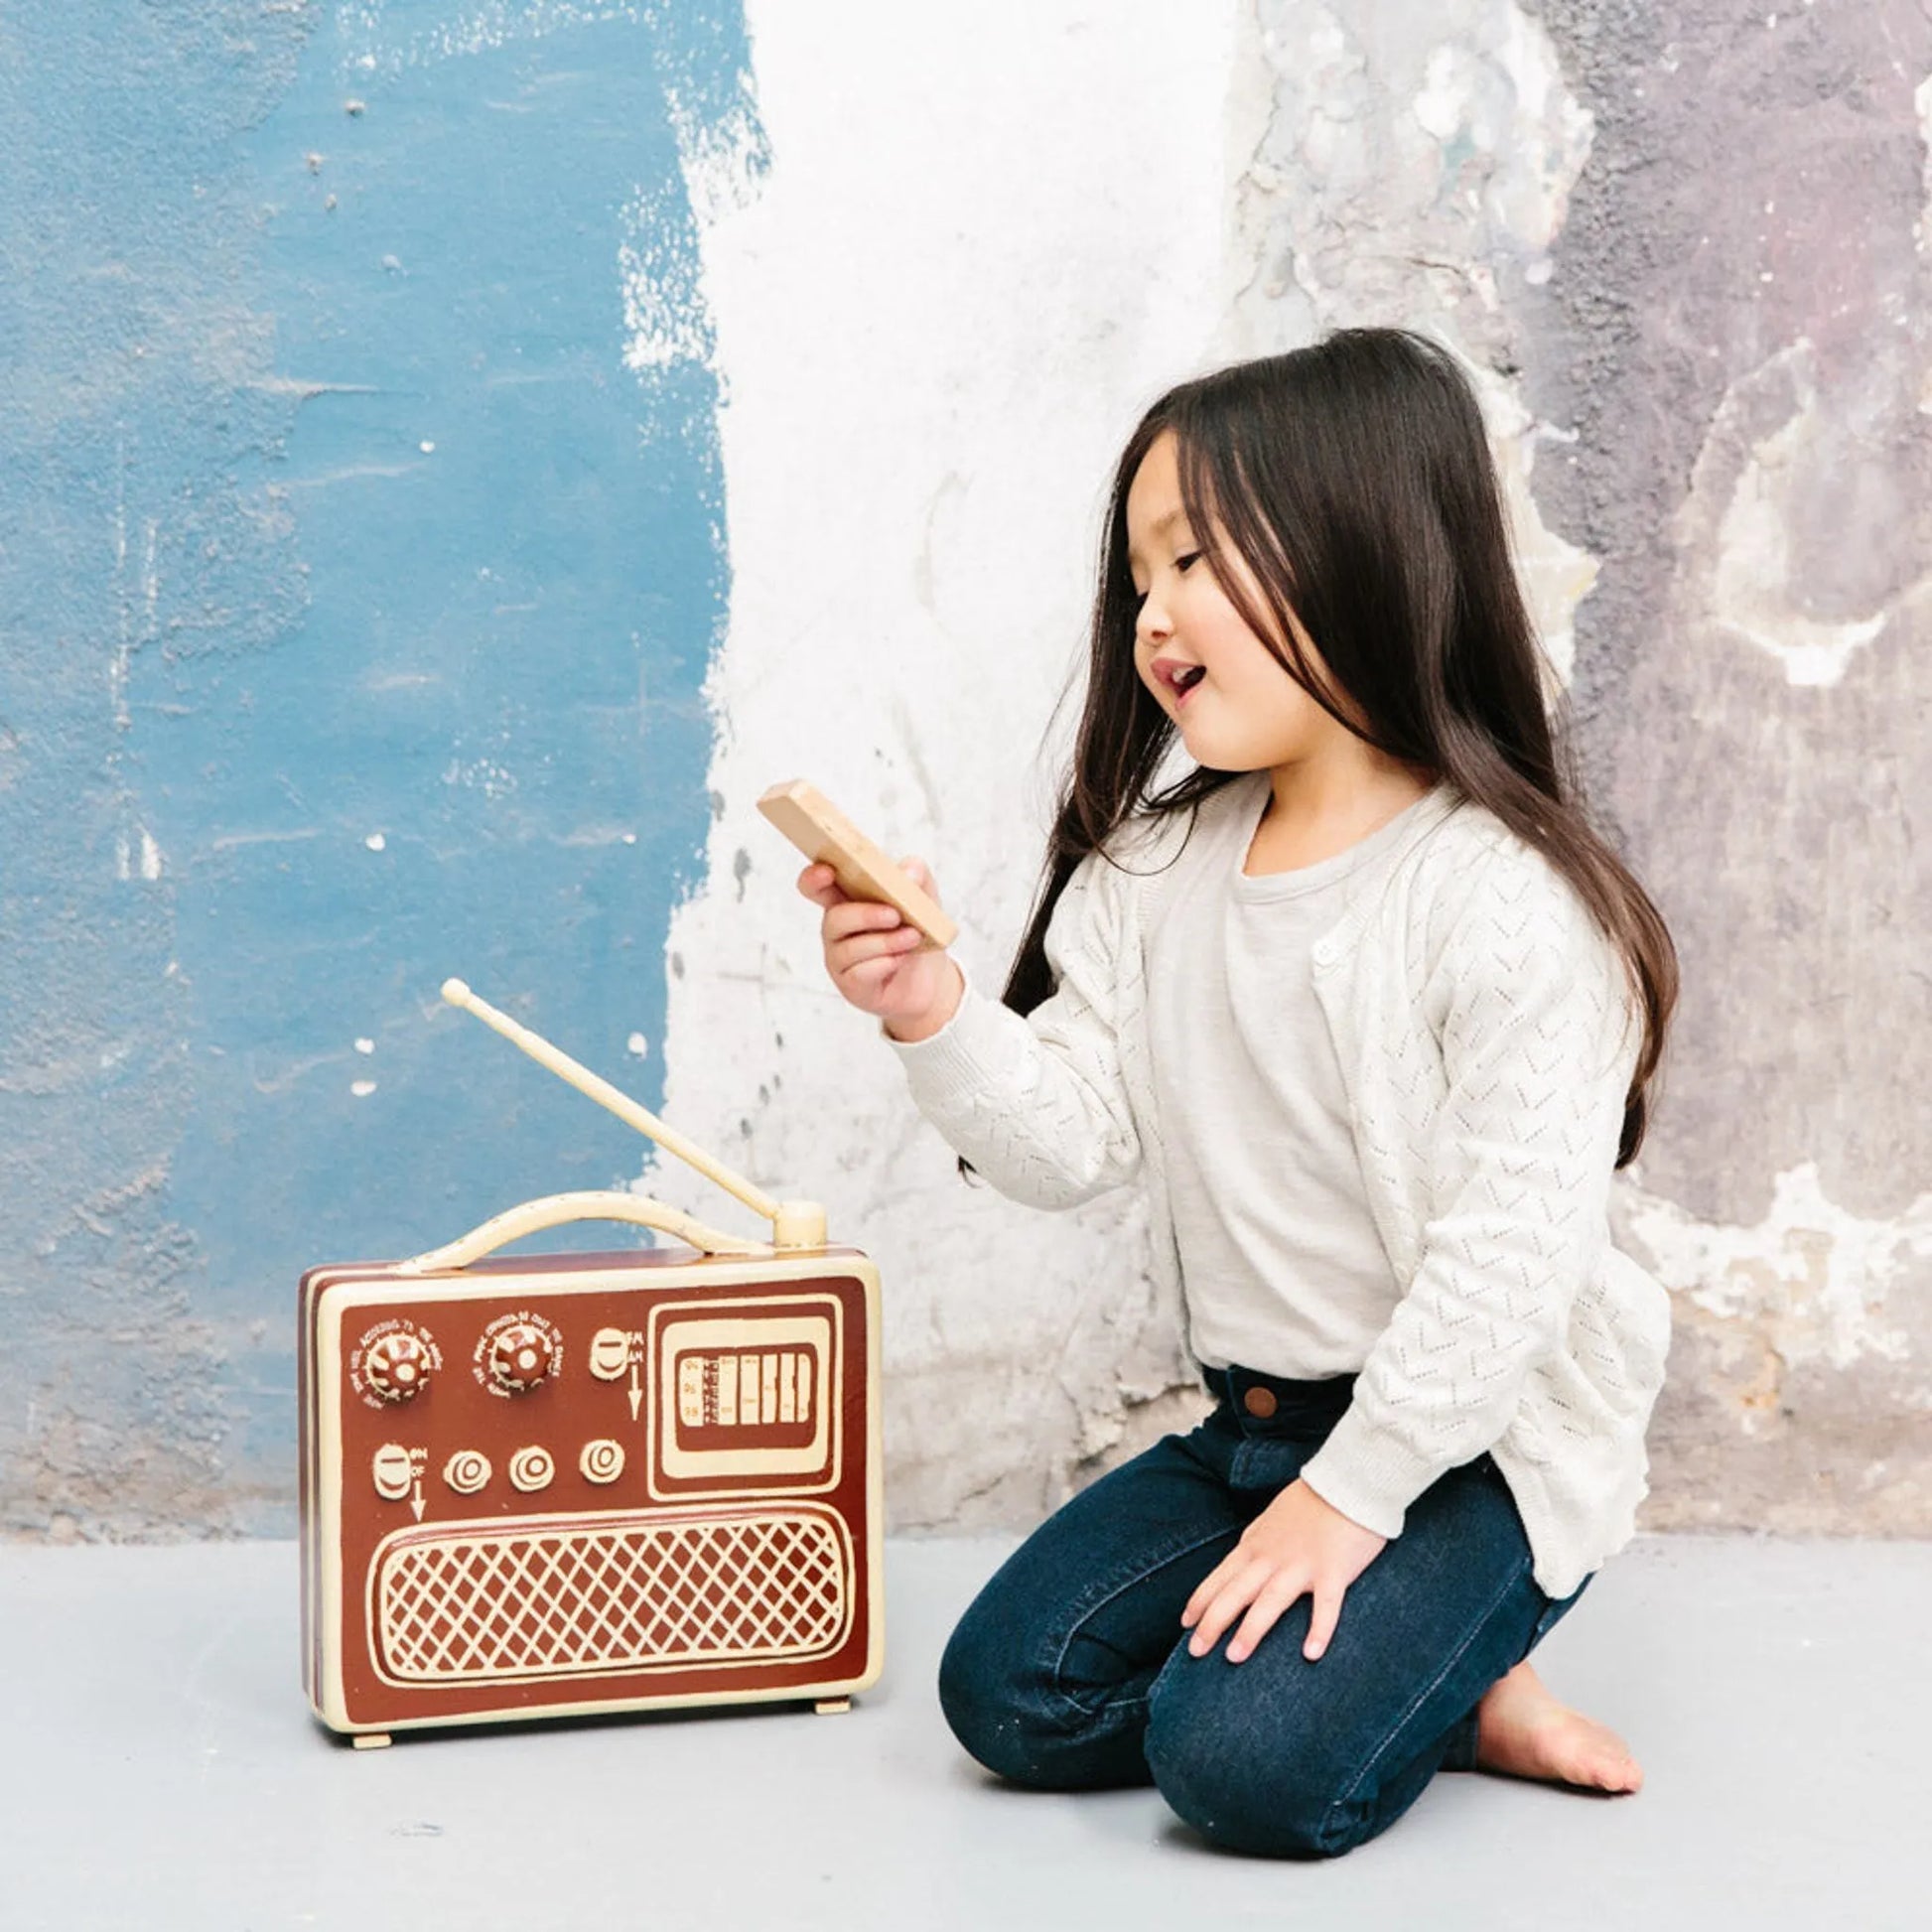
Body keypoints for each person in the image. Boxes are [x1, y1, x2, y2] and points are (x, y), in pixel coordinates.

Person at [794, 328, 1679, 1859]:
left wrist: (1352, 1502)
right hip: (1249, 1429)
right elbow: (1069, 1140)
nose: (1153, 614)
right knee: (1006, 1695)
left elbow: (1506, 1270)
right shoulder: (1157, 870)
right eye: (1139, 576)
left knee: (1242, 1771)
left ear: (1360, 548)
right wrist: (932, 1010)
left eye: (1193, 557)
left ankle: (1452, 1650)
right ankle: (1435, 1682)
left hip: (1467, 1444)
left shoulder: (1502, 903)